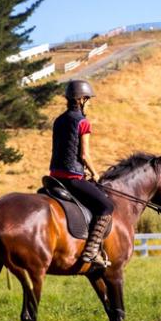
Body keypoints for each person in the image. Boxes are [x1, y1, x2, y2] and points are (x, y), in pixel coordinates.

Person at [49, 79, 114, 268]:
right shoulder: (83, 122)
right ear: (82, 99)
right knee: (106, 206)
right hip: (73, 178)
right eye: (89, 99)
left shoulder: (59, 120)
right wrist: (95, 174)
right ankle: (92, 250)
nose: (90, 103)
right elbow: (85, 154)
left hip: (54, 176)